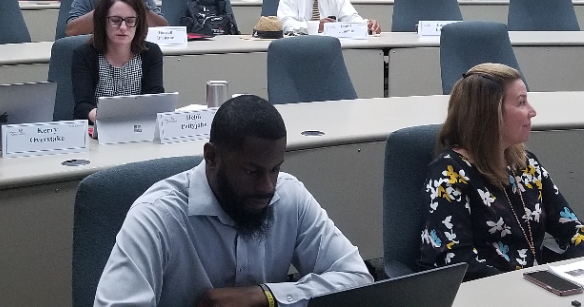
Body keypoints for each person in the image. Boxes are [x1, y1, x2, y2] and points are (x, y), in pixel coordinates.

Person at [92, 94, 373, 307]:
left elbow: (357, 277)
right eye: (252, 172)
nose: (267, 187)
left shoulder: (289, 196)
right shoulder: (156, 217)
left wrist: (264, 296)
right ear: (212, 157)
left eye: (275, 169)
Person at [417, 63, 584, 281]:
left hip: (530, 285)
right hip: (483, 291)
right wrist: (525, 287)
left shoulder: (525, 164)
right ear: (490, 115)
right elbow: (458, 264)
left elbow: (573, 229)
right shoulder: (449, 173)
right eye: (521, 102)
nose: (532, 111)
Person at [71, 0, 164, 123]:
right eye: (115, 20)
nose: (123, 27)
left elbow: (155, 99)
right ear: (103, 21)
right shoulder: (84, 54)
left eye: (130, 21)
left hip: (139, 128)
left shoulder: (151, 53)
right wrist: (108, 118)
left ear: (139, 23)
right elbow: (82, 107)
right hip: (99, 128)